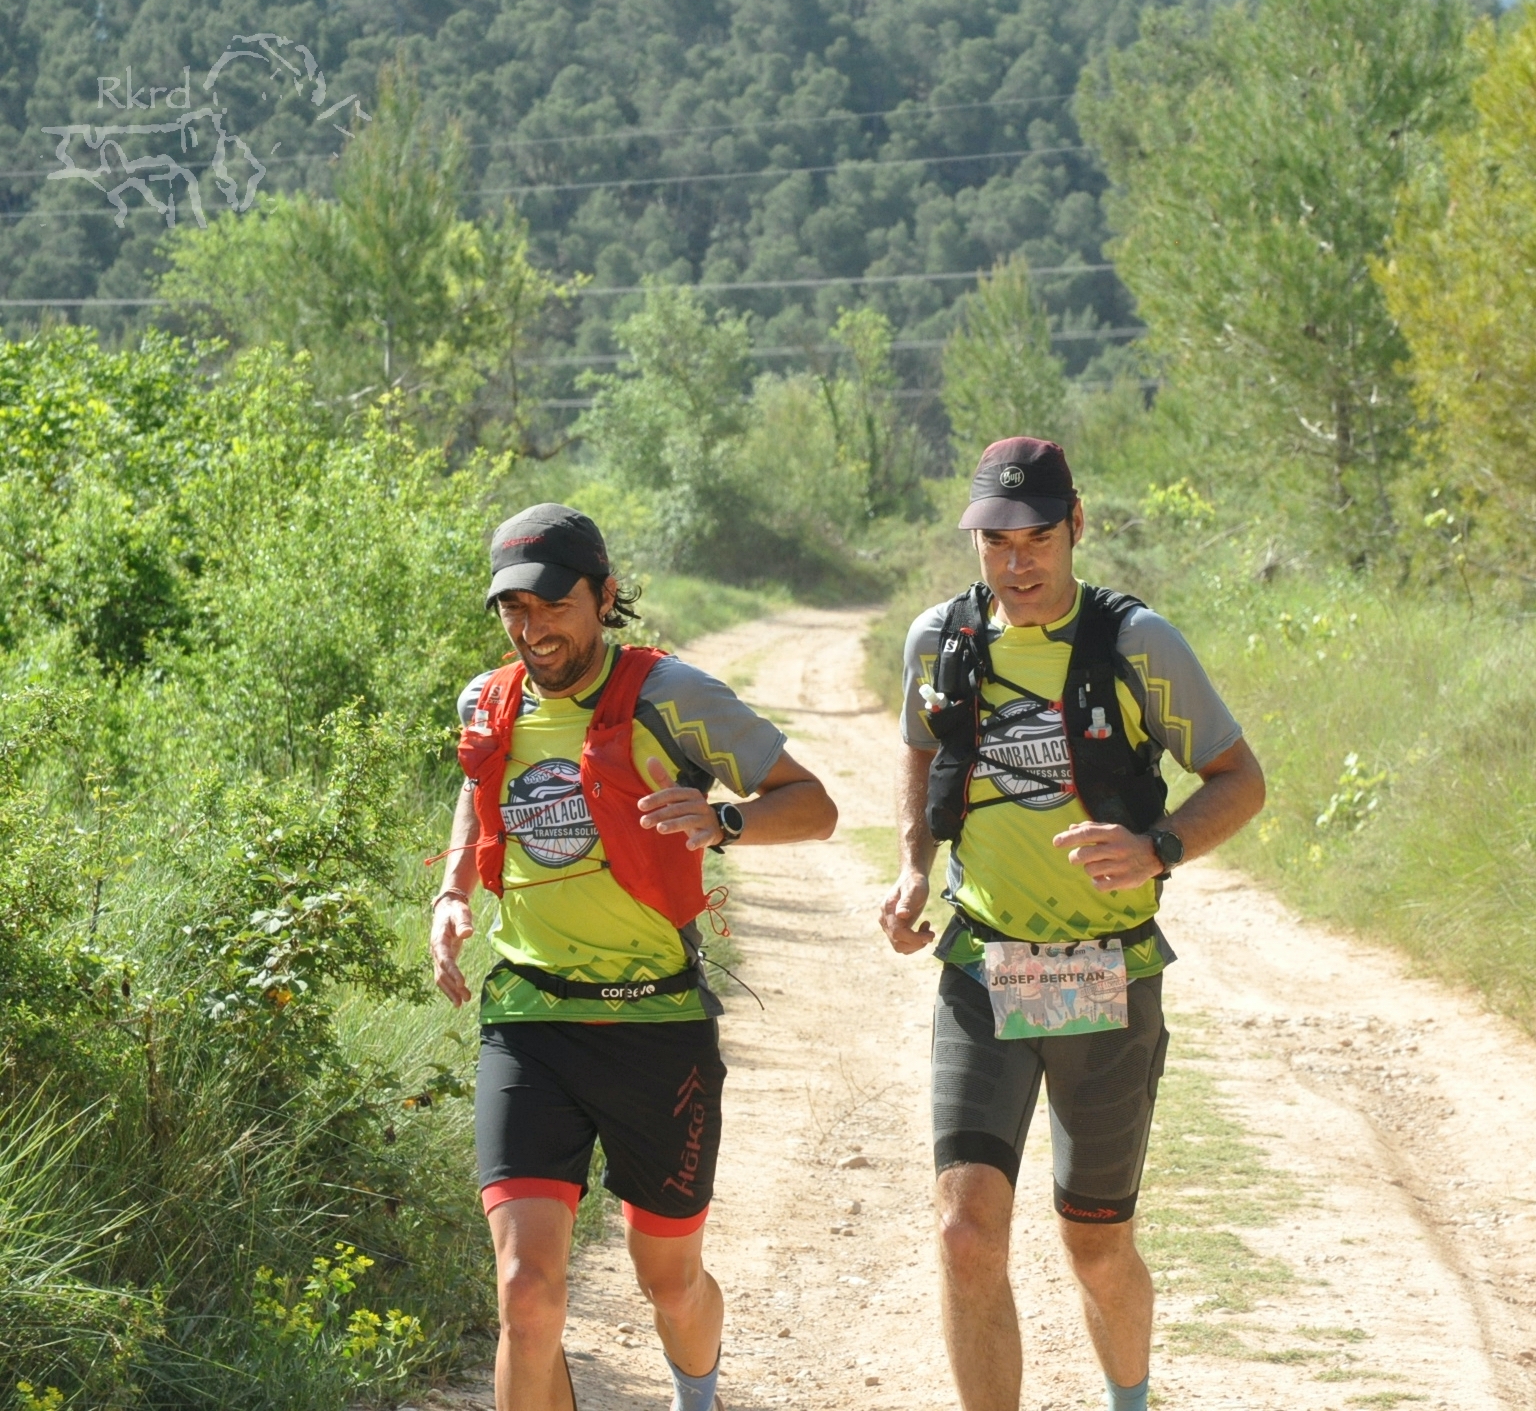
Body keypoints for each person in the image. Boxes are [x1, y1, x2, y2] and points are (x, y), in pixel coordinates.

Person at [880, 439, 1266, 1411]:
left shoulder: (1136, 643)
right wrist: (913, 865)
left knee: (1094, 1244)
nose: (1016, 563)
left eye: (1037, 539)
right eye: (996, 542)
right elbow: (922, 748)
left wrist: (1158, 847)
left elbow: (1240, 779)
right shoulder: (939, 639)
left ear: (1076, 526)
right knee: (964, 1231)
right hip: (981, 966)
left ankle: (1128, 1398)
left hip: (1106, 971)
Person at [429, 504, 838, 1411]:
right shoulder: (488, 699)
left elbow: (815, 807)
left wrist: (725, 820)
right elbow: (476, 786)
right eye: (514, 609)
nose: (533, 629)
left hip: (657, 1027)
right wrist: (452, 893)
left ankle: (698, 1393)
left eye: (554, 605)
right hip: (530, 1021)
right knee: (526, 1295)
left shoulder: (672, 697)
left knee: (671, 1284)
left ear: (605, 596)